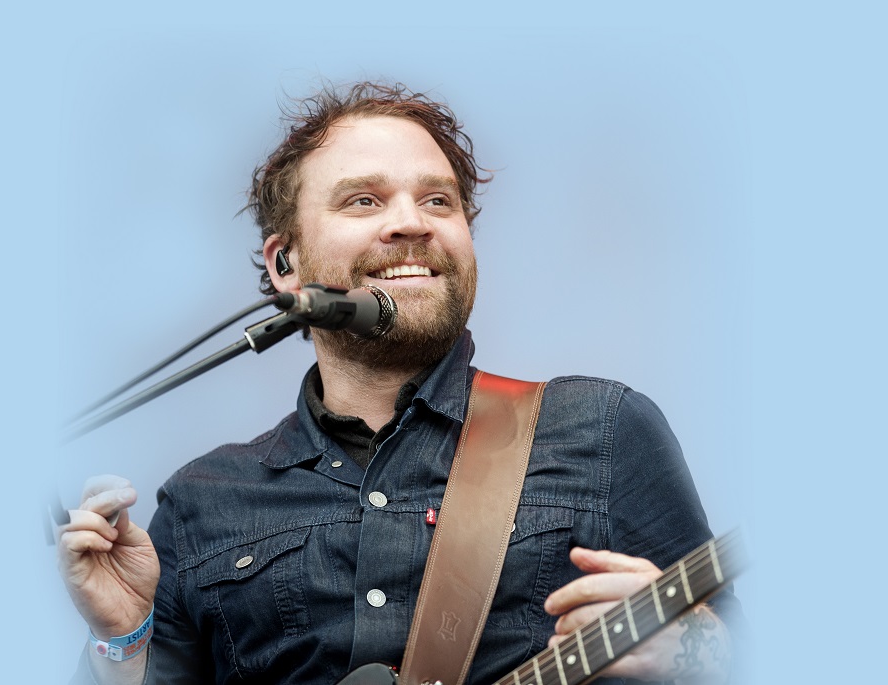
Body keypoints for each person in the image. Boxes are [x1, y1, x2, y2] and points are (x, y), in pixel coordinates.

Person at [59, 82, 741, 685]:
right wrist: (124, 644)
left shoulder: (604, 428)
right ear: (285, 264)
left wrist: (694, 648)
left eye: (438, 200)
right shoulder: (200, 502)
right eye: (365, 199)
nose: (412, 221)